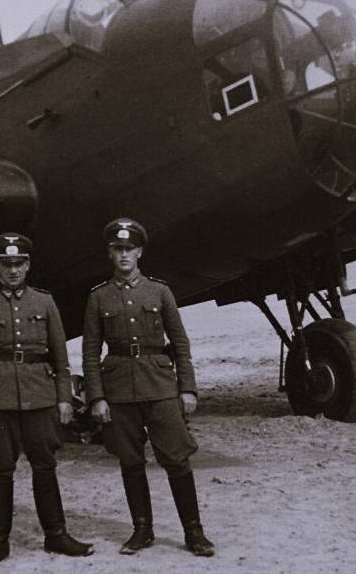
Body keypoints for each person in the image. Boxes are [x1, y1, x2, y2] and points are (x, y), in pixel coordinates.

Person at [0, 233, 94, 569]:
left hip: (40, 397)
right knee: (2, 471)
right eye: (7, 264)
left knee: (45, 467)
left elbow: (60, 358)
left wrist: (64, 399)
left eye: (19, 263)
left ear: (28, 265)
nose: (14, 270)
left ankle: (56, 534)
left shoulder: (44, 302)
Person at [82, 218, 215, 557]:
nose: (123, 255)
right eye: (117, 249)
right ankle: (142, 530)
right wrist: (96, 396)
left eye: (129, 249)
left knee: (177, 459)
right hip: (119, 390)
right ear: (110, 254)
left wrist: (188, 389)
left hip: (160, 386)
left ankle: (194, 532)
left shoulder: (159, 292)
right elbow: (90, 351)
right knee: (130, 461)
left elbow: (180, 343)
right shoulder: (99, 297)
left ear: (139, 252)